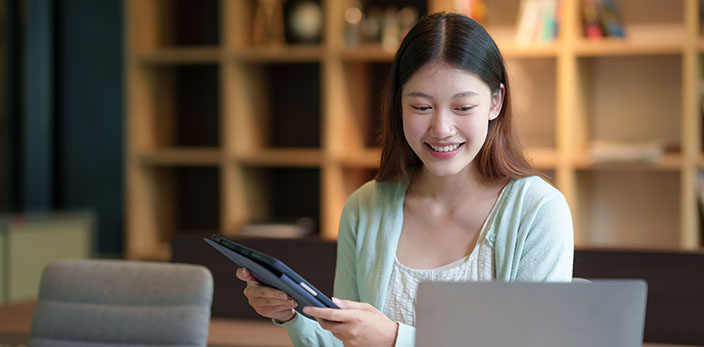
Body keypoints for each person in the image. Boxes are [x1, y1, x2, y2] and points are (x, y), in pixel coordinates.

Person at [236, 12, 573, 347]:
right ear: (399, 104)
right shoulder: (365, 207)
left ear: (495, 102)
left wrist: (396, 339)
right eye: (422, 107)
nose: (441, 128)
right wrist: (289, 315)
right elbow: (344, 342)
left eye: (463, 107)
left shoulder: (538, 211)